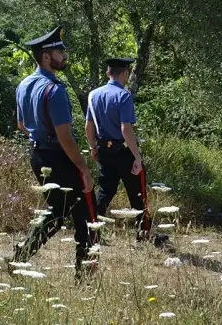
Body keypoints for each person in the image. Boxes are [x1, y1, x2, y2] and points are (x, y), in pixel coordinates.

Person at [11, 26, 99, 278]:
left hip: (38, 155)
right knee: (85, 215)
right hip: (59, 156)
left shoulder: (24, 84)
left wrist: (41, 139)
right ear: (46, 56)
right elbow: (66, 137)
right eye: (60, 51)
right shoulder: (55, 90)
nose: (65, 55)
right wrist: (84, 169)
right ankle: (85, 275)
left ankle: (21, 256)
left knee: (57, 212)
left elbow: (20, 125)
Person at [86, 57, 167, 247]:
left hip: (103, 150)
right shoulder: (123, 96)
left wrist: (92, 147)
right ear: (125, 73)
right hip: (123, 151)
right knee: (137, 193)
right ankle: (144, 235)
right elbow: (126, 129)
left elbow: (88, 126)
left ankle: (91, 231)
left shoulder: (93, 95)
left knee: (105, 191)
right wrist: (137, 156)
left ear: (108, 73)